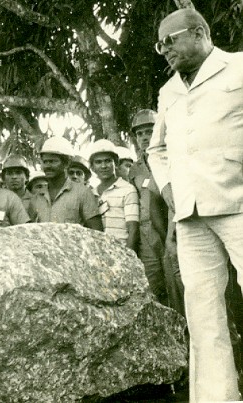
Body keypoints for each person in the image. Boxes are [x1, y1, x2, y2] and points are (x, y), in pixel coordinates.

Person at [148, 8, 243, 401]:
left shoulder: (238, 67)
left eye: (170, 40)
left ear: (200, 32)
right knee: (203, 316)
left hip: (238, 203)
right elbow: (156, 149)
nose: (163, 50)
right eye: (159, 45)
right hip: (190, 216)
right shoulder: (169, 90)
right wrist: (172, 192)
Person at [128, 109, 184, 312]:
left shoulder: (171, 159)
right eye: (140, 133)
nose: (144, 137)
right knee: (153, 285)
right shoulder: (134, 169)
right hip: (146, 233)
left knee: (177, 281)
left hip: (170, 226)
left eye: (149, 131)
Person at [29, 136, 103, 230]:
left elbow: (97, 231)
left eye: (53, 161)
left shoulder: (83, 193)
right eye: (45, 162)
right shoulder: (37, 197)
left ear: (66, 163)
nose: (48, 166)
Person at [89, 140, 139, 252]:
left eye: (108, 161)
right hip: (99, 253)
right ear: (92, 167)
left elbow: (133, 229)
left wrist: (129, 257)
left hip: (121, 251)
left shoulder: (128, 189)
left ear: (115, 164)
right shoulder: (91, 194)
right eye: (98, 162)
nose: (103, 166)